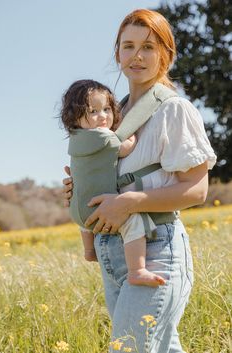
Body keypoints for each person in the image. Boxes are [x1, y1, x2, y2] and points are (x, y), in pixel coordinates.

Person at [63, 9, 217, 353]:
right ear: (117, 52)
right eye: (128, 46)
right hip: (113, 254)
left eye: (148, 46)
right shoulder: (110, 114)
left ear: (166, 53)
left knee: (128, 349)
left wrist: (129, 202)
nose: (137, 56)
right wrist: (81, 190)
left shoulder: (173, 109)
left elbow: (197, 189)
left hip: (156, 248)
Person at [60, 79, 165, 287]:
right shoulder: (103, 136)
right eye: (93, 111)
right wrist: (132, 131)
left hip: (78, 209)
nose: (103, 116)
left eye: (107, 109)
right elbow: (126, 147)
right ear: (75, 115)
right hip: (99, 207)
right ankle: (137, 270)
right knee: (134, 221)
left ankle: (89, 251)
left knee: (86, 221)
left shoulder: (75, 139)